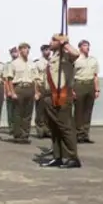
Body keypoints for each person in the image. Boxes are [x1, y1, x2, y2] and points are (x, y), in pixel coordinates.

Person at [37, 34, 82, 168]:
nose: (50, 42)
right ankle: (59, 157)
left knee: (65, 127)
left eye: (54, 40)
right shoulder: (54, 57)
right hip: (49, 95)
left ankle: (72, 157)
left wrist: (65, 44)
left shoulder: (65, 56)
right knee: (54, 128)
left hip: (61, 95)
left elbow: (76, 54)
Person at [72, 40, 100, 143]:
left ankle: (85, 134)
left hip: (90, 85)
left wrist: (97, 89)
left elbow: (96, 76)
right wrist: (72, 90)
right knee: (79, 111)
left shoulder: (93, 60)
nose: (87, 47)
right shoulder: (76, 60)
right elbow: (70, 76)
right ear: (80, 47)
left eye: (88, 46)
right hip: (79, 84)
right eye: (84, 46)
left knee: (88, 112)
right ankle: (78, 134)